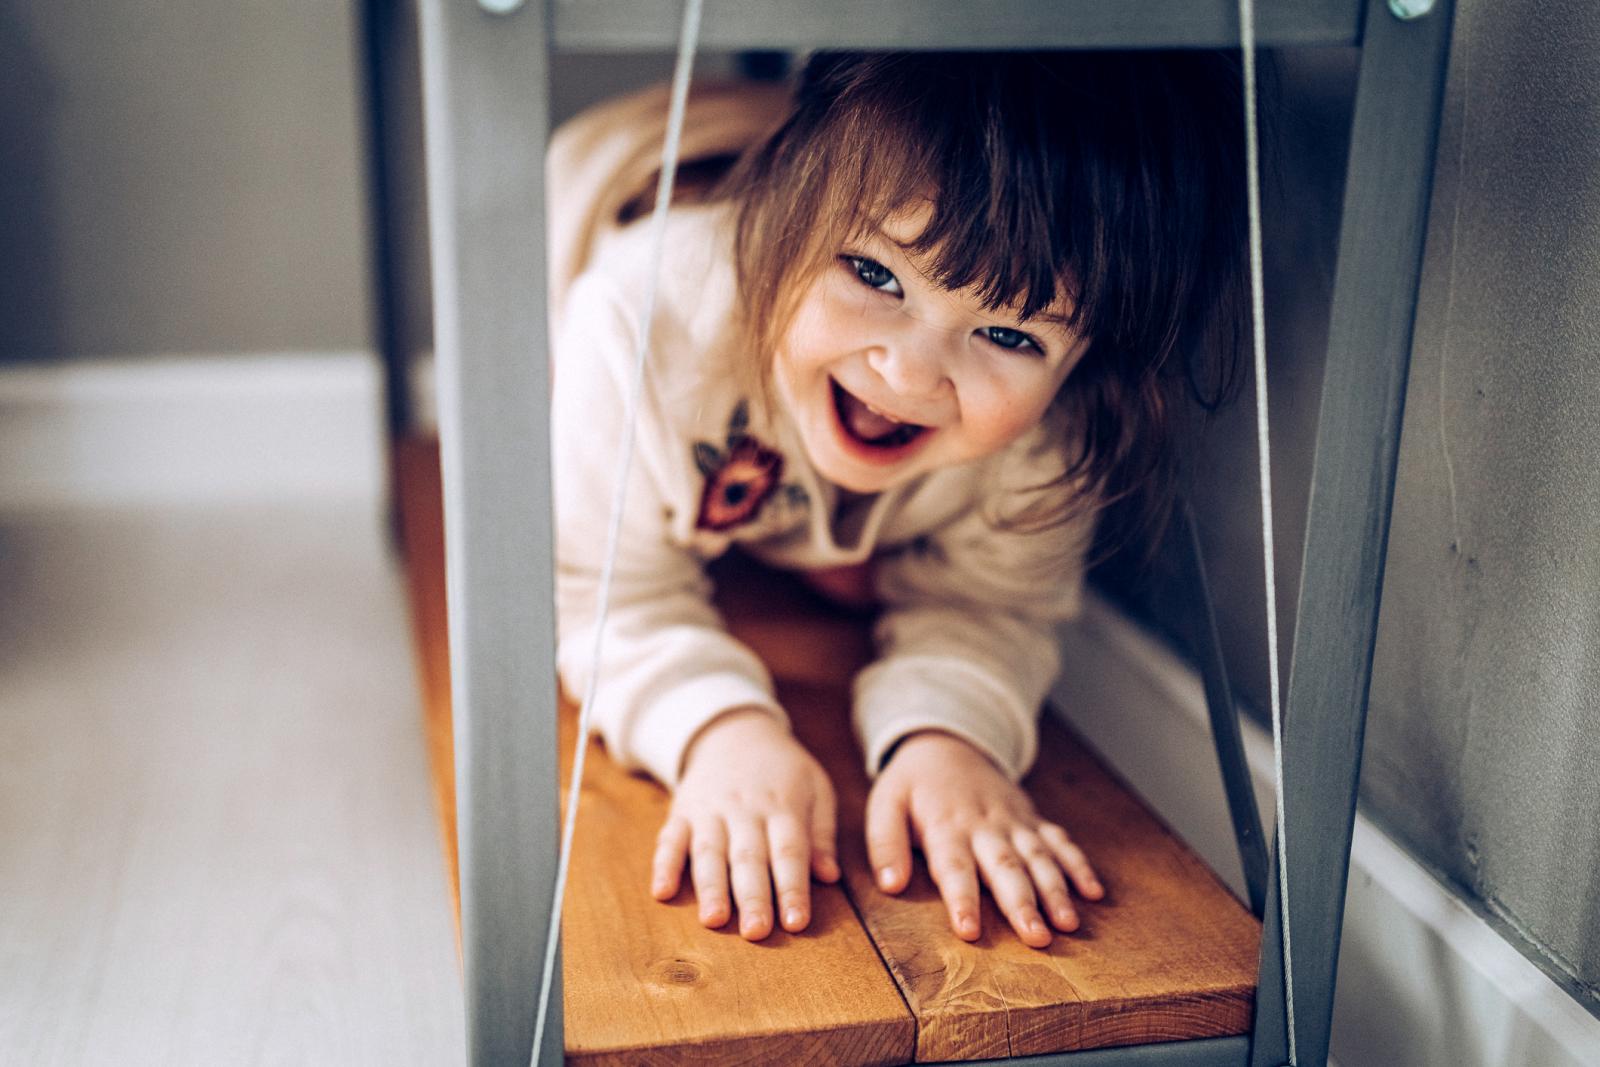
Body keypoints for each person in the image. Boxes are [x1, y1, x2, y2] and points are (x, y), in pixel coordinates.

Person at [550, 51, 1246, 949]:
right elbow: (604, 595)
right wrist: (719, 731)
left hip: (836, 169)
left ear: (1087, 365)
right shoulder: (644, 325)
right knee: (606, 488)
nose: (908, 374)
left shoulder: (1050, 435)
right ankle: (818, 539)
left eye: (1006, 335)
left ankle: (826, 528)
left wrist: (949, 738)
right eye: (874, 276)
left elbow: (991, 606)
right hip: (616, 175)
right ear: (792, 213)